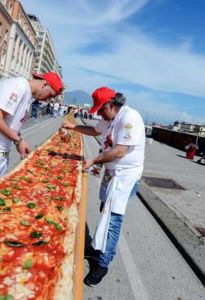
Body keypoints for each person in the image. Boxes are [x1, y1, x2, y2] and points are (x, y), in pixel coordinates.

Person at [61, 87, 145, 286]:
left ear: (111, 105)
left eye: (100, 109)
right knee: (104, 210)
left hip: (125, 176)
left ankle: (103, 263)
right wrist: (72, 127)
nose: (98, 113)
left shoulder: (129, 117)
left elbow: (120, 151)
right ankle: (98, 247)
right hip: (111, 173)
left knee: (113, 218)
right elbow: (94, 131)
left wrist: (95, 159)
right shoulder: (110, 119)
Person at [0, 72, 64, 195]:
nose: (48, 99)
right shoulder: (18, 86)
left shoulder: (27, 93)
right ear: (44, 84)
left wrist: (18, 141)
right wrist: (18, 141)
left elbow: (11, 123)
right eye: (50, 94)